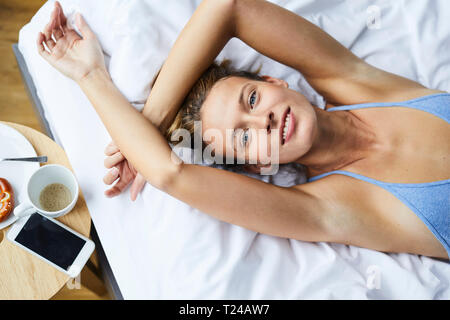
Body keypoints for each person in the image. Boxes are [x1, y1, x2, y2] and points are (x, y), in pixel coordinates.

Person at [37, 0, 449, 260]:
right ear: (257, 168)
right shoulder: (328, 207)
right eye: (245, 138)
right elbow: (169, 173)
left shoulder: (360, 82)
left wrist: (154, 123)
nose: (262, 120)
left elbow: (228, 7)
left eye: (251, 100)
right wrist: (91, 75)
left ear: (274, 83)